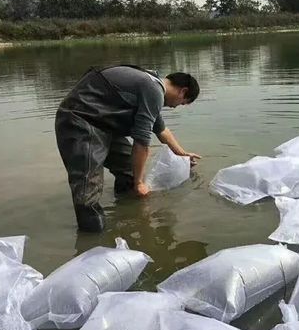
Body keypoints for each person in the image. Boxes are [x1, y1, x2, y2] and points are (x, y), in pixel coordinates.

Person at [55, 64, 201, 232]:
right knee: (88, 186)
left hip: (104, 124)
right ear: (183, 91)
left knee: (128, 169)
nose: (176, 107)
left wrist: (182, 154)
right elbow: (141, 142)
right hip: (79, 120)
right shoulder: (153, 89)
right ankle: (92, 242)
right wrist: (140, 183)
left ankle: (129, 218)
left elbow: (161, 130)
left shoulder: (152, 84)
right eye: (183, 103)